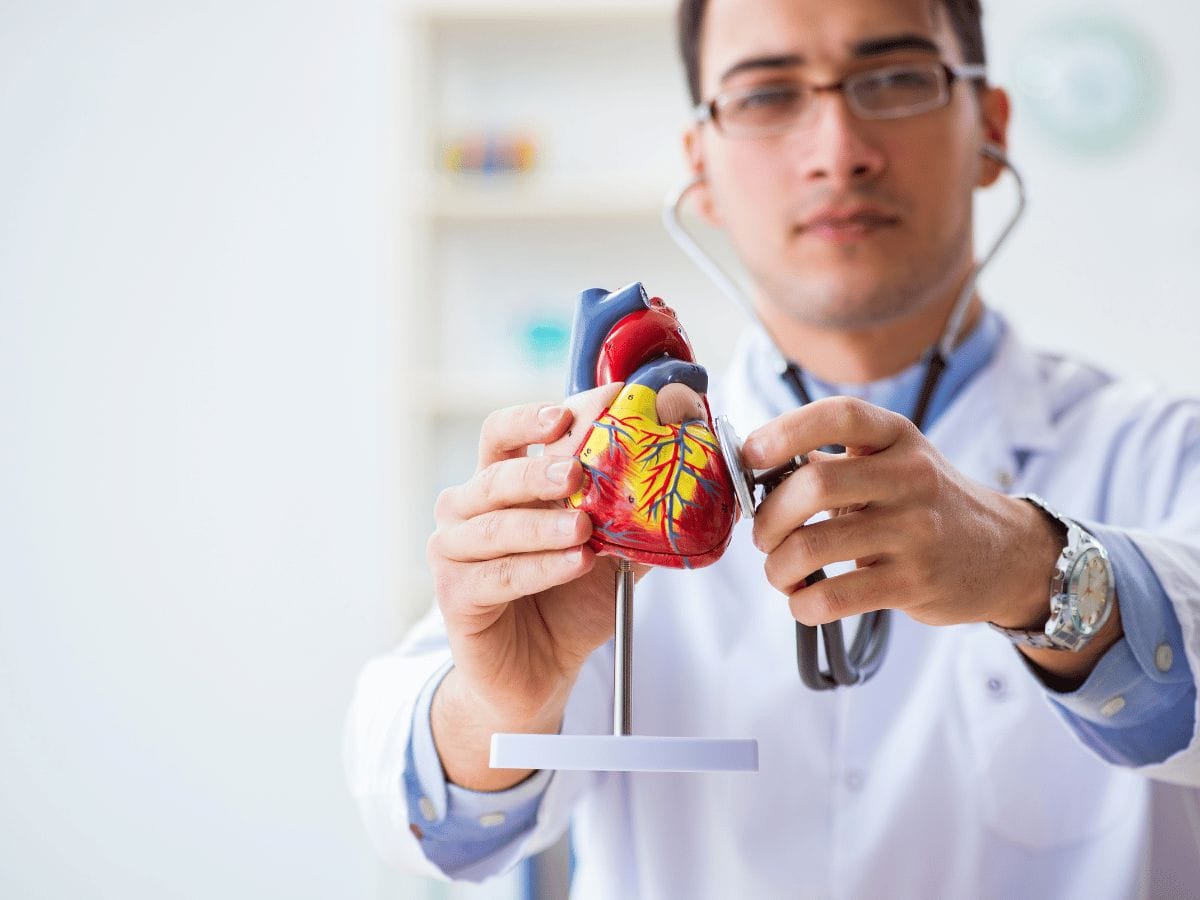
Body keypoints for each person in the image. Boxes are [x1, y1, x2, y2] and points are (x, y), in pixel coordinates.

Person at [344, 0, 1200, 896]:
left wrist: (1033, 567)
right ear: (700, 167)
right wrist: (499, 704)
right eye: (764, 94)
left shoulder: (1160, 450)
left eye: (898, 77)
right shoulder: (608, 479)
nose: (837, 147)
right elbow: (424, 815)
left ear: (990, 130)